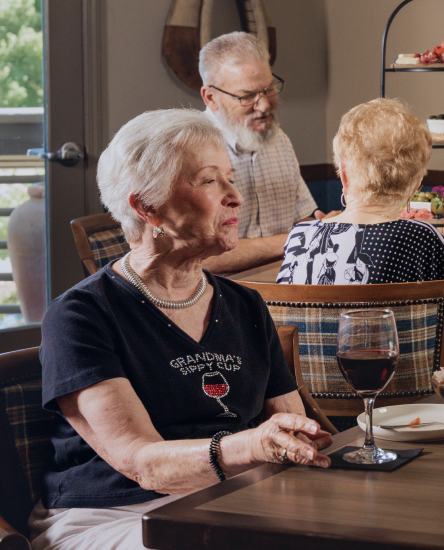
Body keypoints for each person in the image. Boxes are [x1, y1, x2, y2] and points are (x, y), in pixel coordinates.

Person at [33, 109, 332, 550]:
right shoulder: (81, 315)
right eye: (209, 181)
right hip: (118, 512)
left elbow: (291, 429)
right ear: (146, 206)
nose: (235, 196)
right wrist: (251, 446)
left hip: (235, 498)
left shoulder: (245, 304)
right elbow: (142, 463)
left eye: (230, 178)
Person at [277, 98, 444, 349]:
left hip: (301, 388)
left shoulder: (299, 236)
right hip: (400, 384)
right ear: (416, 184)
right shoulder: (421, 238)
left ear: (343, 175)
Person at [198, 31, 326, 274]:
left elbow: (299, 222)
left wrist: (327, 226)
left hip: (286, 293)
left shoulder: (280, 142)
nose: (265, 105)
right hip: (223, 300)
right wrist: (294, 240)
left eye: (269, 89)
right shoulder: (192, 154)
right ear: (211, 98)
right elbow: (204, 258)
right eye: (247, 96)